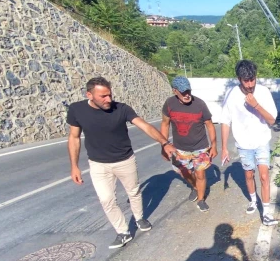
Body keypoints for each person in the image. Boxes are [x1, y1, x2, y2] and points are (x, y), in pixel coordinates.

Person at [67, 77, 177, 249]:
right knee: (106, 199)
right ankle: (122, 231)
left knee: (133, 191)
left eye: (109, 95)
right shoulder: (76, 110)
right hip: (98, 164)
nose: (108, 99)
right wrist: (74, 166)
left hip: (125, 160)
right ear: (89, 95)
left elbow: (145, 126)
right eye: (103, 96)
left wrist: (165, 143)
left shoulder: (122, 109)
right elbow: (74, 138)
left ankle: (139, 218)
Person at [220, 60, 279, 226]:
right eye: (246, 81)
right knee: (248, 174)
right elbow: (225, 121)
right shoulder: (231, 94)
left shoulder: (264, 92)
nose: (250, 84)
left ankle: (266, 213)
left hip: (261, 140)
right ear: (239, 79)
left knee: (264, 175)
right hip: (243, 143)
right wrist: (224, 147)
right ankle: (253, 200)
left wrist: (256, 105)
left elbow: (272, 120)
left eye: (252, 79)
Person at [160, 76, 217, 212]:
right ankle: (196, 187)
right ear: (175, 91)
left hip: (200, 147)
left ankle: (201, 199)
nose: (187, 95)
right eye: (183, 92)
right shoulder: (169, 104)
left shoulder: (200, 104)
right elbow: (165, 124)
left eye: (188, 91)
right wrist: (164, 145)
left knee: (200, 174)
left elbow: (209, 125)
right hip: (180, 149)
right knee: (184, 173)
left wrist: (214, 145)